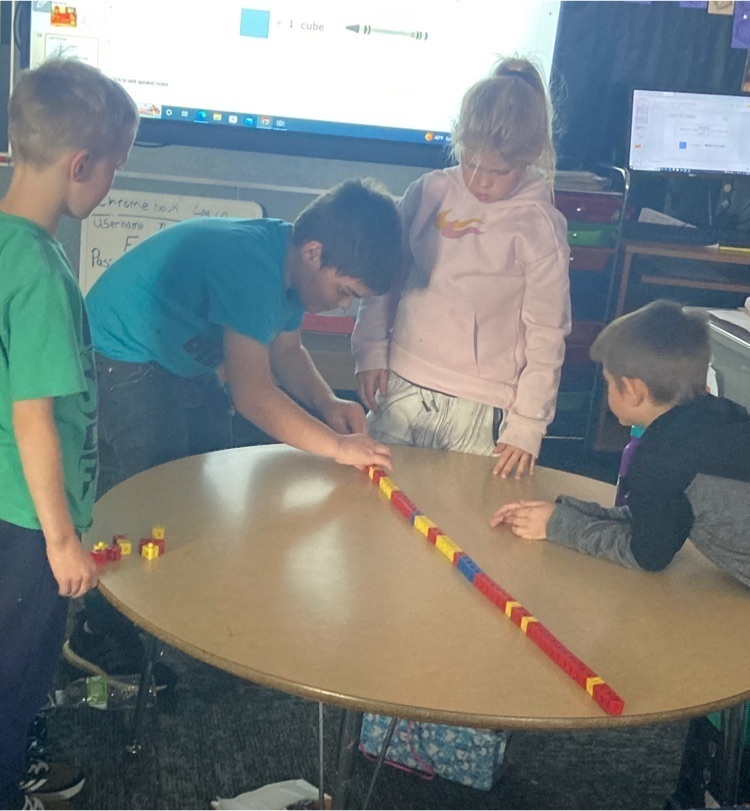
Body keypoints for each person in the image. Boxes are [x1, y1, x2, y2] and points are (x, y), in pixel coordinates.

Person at [63, 177, 402, 685]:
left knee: (207, 465)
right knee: (150, 484)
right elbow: (253, 396)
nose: (342, 306)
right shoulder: (253, 266)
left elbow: (286, 350)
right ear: (314, 253)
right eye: (344, 291)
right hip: (121, 348)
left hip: (175, 356)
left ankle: (177, 604)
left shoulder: (291, 268)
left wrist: (328, 402)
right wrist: (336, 447)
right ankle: (97, 632)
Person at [0, 58, 138, 810]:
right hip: (28, 522)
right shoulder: (44, 273)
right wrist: (61, 541)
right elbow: (34, 416)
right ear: (80, 165)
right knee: (16, 678)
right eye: (114, 167)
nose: (112, 181)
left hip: (8, 506)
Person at [352, 57, 571, 480]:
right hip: (403, 384)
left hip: (482, 407)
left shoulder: (539, 224)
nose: (480, 181)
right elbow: (384, 279)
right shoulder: (429, 191)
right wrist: (371, 350)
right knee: (375, 496)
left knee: (463, 510)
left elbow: (548, 332)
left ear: (531, 157)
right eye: (470, 163)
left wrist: (527, 424)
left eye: (498, 172)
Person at [490, 300, 750, 587]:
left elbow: (646, 554)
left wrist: (557, 526)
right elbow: (657, 516)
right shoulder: (721, 415)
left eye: (609, 383)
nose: (607, 392)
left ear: (634, 390)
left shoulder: (660, 456)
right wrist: (565, 513)